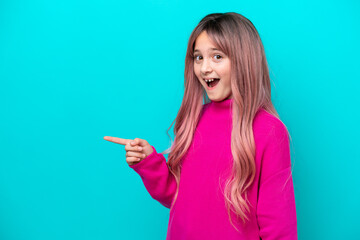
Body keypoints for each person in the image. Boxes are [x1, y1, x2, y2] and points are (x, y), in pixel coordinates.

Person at [104, 12, 297, 240]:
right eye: (198, 58)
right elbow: (178, 197)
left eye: (217, 56)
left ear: (244, 61)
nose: (204, 68)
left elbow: (278, 223)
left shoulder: (269, 130)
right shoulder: (193, 120)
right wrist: (149, 162)